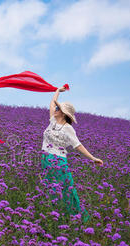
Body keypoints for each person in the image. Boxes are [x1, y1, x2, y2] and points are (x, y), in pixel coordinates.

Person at [41, 87, 103, 223]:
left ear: (63, 114)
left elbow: (78, 145)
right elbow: (52, 102)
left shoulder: (68, 129)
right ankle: (55, 215)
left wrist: (93, 158)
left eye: (58, 109)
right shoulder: (53, 120)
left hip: (59, 161)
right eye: (56, 108)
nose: (55, 109)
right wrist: (57, 90)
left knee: (65, 190)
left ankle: (76, 217)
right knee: (50, 188)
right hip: (45, 159)